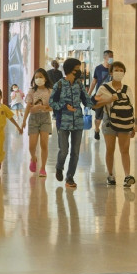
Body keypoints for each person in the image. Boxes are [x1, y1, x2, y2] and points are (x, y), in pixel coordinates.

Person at [50, 58, 94, 188]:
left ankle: (70, 177)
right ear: (69, 70)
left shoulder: (79, 85)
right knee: (63, 150)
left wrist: (96, 101)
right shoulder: (58, 85)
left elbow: (87, 101)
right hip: (63, 122)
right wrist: (64, 106)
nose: (79, 72)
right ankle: (59, 167)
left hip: (78, 122)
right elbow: (52, 103)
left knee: (75, 152)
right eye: (77, 69)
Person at [94, 61, 136, 187]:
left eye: (121, 70)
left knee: (125, 149)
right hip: (109, 121)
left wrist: (132, 125)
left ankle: (127, 175)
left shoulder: (127, 89)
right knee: (110, 149)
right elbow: (95, 104)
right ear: (111, 72)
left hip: (125, 121)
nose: (119, 72)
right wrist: (109, 99)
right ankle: (110, 174)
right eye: (116, 70)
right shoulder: (103, 88)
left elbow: (130, 107)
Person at [21, 69, 54, 178]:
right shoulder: (31, 91)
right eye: (36, 77)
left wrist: (42, 107)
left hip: (45, 118)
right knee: (32, 145)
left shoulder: (50, 91)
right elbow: (28, 107)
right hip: (33, 119)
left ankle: (43, 168)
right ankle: (33, 157)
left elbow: (53, 107)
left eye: (40, 77)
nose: (38, 79)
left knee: (44, 144)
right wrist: (24, 120)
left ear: (45, 78)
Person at [88, 50, 114, 140]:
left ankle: (108, 132)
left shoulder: (113, 69)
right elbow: (94, 81)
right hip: (99, 96)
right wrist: (89, 93)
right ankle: (96, 129)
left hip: (110, 96)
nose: (111, 58)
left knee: (110, 115)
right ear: (104, 57)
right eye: (109, 56)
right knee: (98, 116)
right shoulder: (98, 68)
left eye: (112, 56)